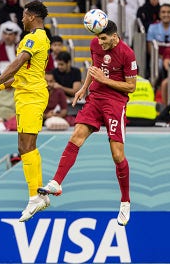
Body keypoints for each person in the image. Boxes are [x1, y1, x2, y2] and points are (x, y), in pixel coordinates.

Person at [38, 20, 137, 226]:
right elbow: (94, 69)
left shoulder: (127, 53)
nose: (99, 42)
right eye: (98, 38)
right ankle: (56, 183)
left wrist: (105, 80)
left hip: (115, 103)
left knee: (117, 155)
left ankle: (125, 201)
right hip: (95, 98)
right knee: (76, 136)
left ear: (114, 36)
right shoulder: (95, 45)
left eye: (103, 39)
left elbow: (131, 87)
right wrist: (84, 88)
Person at [0, 0, 52, 222]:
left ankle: (35, 196)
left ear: (31, 16)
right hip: (25, 95)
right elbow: (18, 77)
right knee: (23, 146)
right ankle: (39, 195)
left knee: (27, 146)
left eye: (23, 15)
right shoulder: (38, 38)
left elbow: (15, 65)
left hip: (32, 97)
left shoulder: (35, 37)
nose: (21, 19)